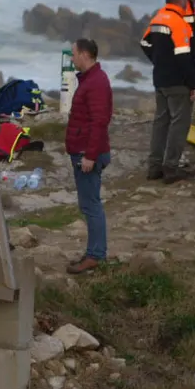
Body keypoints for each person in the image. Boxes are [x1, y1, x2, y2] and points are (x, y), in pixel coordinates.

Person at [64, 38, 112, 274]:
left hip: (88, 152)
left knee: (91, 205)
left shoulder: (96, 82)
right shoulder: (91, 80)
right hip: (84, 150)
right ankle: (94, 251)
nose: (72, 59)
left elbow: (99, 121)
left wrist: (90, 155)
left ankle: (95, 255)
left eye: (73, 54)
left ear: (84, 54)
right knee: (89, 204)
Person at [141, 0, 195, 183]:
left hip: (160, 79)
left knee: (161, 122)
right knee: (179, 124)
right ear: (180, 0)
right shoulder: (179, 23)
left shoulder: (158, 17)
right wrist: (194, 84)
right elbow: (184, 58)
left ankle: (154, 167)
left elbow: (145, 43)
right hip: (178, 82)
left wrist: (159, 61)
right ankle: (171, 168)